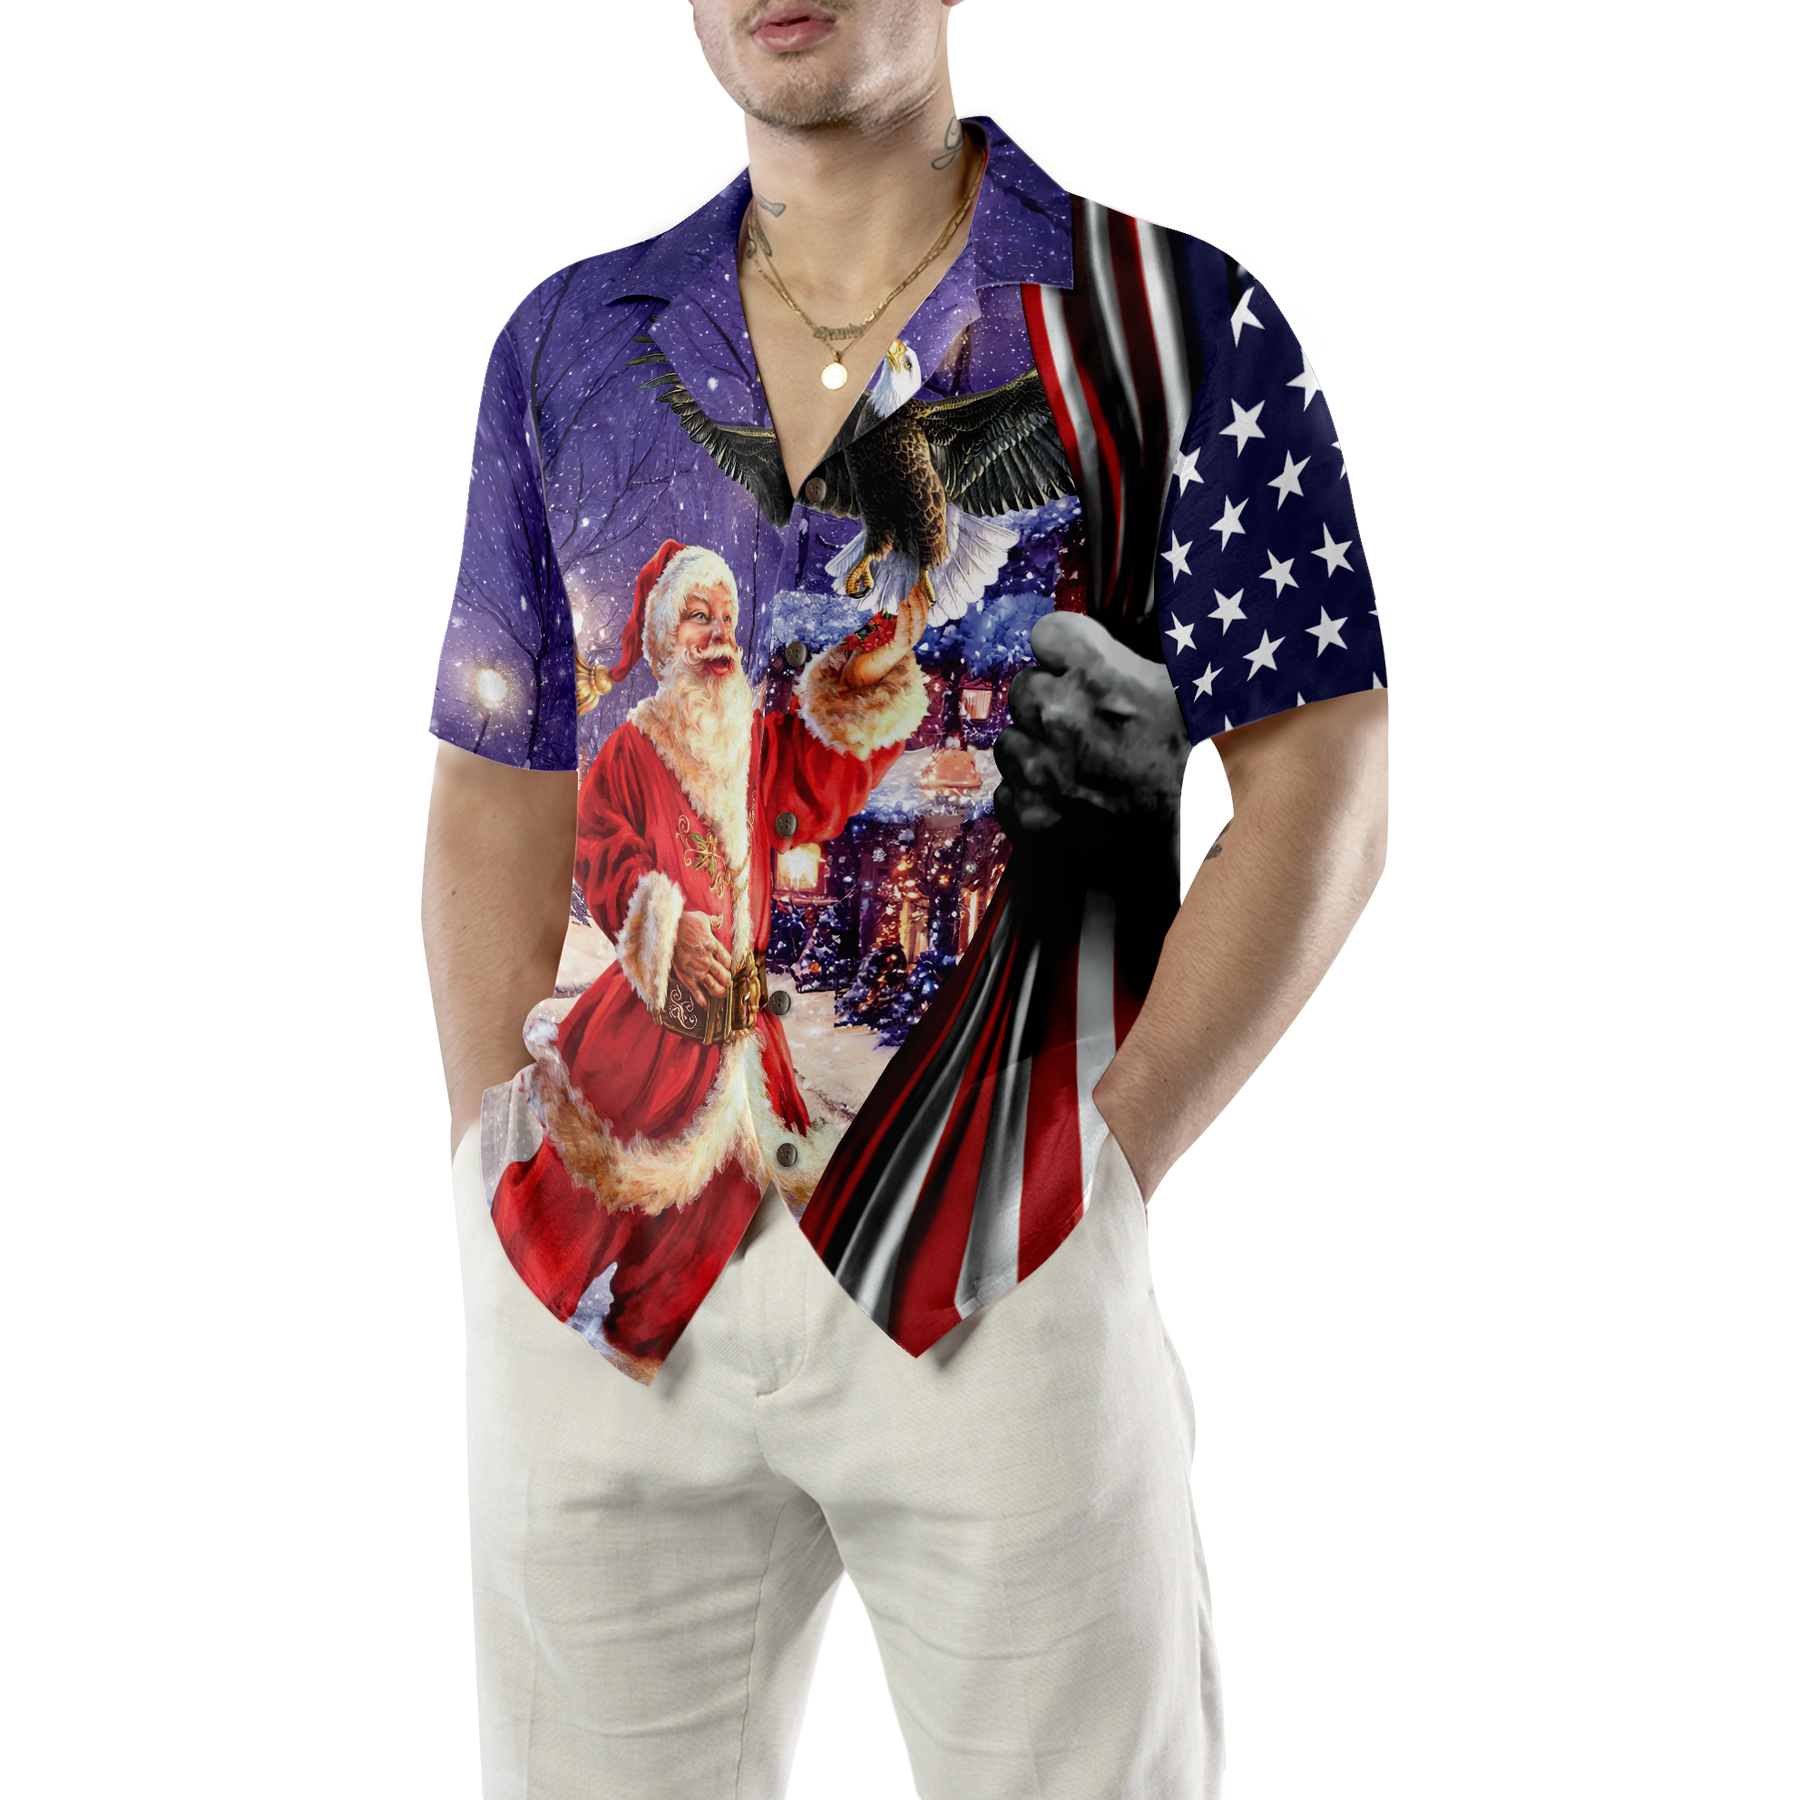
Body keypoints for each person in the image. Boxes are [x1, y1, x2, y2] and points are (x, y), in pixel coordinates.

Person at [421, 2, 1388, 1794]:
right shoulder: (571, 346)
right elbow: (497, 787)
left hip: (995, 1247)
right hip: (603, 1270)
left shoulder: (1165, 323)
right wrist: (499, 1143)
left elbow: (1323, 770)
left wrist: (1111, 1153)